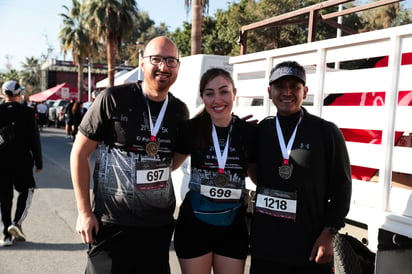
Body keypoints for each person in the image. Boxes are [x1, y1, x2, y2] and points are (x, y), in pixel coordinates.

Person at [70, 36, 189, 274]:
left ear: (178, 67)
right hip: (112, 224)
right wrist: (84, 212)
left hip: (157, 228)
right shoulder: (113, 99)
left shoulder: (179, 110)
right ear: (142, 63)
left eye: (170, 61)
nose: (163, 67)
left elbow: (172, 162)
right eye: (156, 59)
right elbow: (79, 154)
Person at [248, 61, 352, 274]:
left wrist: (328, 234)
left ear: (305, 91)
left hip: (309, 249)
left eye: (294, 87)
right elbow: (254, 173)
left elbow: (343, 188)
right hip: (265, 249)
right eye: (280, 86)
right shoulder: (260, 131)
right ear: (269, 92)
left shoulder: (326, 132)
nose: (287, 92)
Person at [172, 68, 257, 274]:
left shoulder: (249, 132)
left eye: (223, 91)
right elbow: (170, 165)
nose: (217, 99)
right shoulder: (191, 129)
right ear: (202, 97)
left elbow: (258, 178)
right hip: (195, 223)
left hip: (232, 224)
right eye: (210, 93)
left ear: (234, 93)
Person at [0, 80, 42, 247]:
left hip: (1, 161)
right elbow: (34, 139)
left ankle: (6, 236)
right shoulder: (27, 112)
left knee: (4, 198)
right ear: (18, 94)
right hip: (22, 161)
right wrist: (39, 162)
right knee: (27, 190)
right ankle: (16, 223)